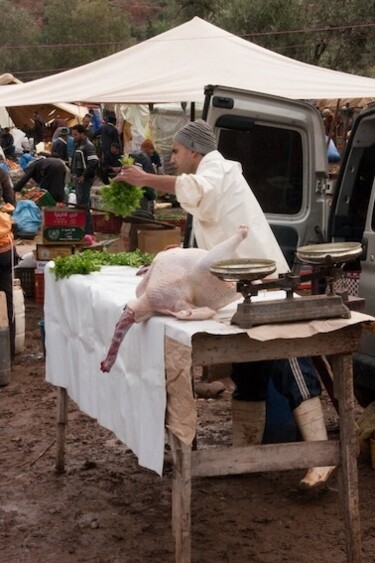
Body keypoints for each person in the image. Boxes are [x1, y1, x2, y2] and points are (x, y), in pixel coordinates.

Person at [117, 119, 334, 491]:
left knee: (287, 360)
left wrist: (146, 179)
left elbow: (195, 190)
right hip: (237, 289)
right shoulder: (212, 175)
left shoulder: (217, 166)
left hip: (264, 285)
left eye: (178, 151)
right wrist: (182, 255)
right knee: (249, 371)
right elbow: (216, 239)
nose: (174, 157)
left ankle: (320, 456)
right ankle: (244, 456)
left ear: (195, 152)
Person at [71, 124, 99, 234]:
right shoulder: (78, 145)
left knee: (84, 205)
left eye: (76, 135)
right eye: (73, 135)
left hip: (84, 181)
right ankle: (83, 229)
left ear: (83, 134)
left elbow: (94, 162)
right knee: (81, 205)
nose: (74, 137)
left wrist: (84, 175)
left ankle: (88, 231)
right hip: (78, 180)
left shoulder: (88, 146)